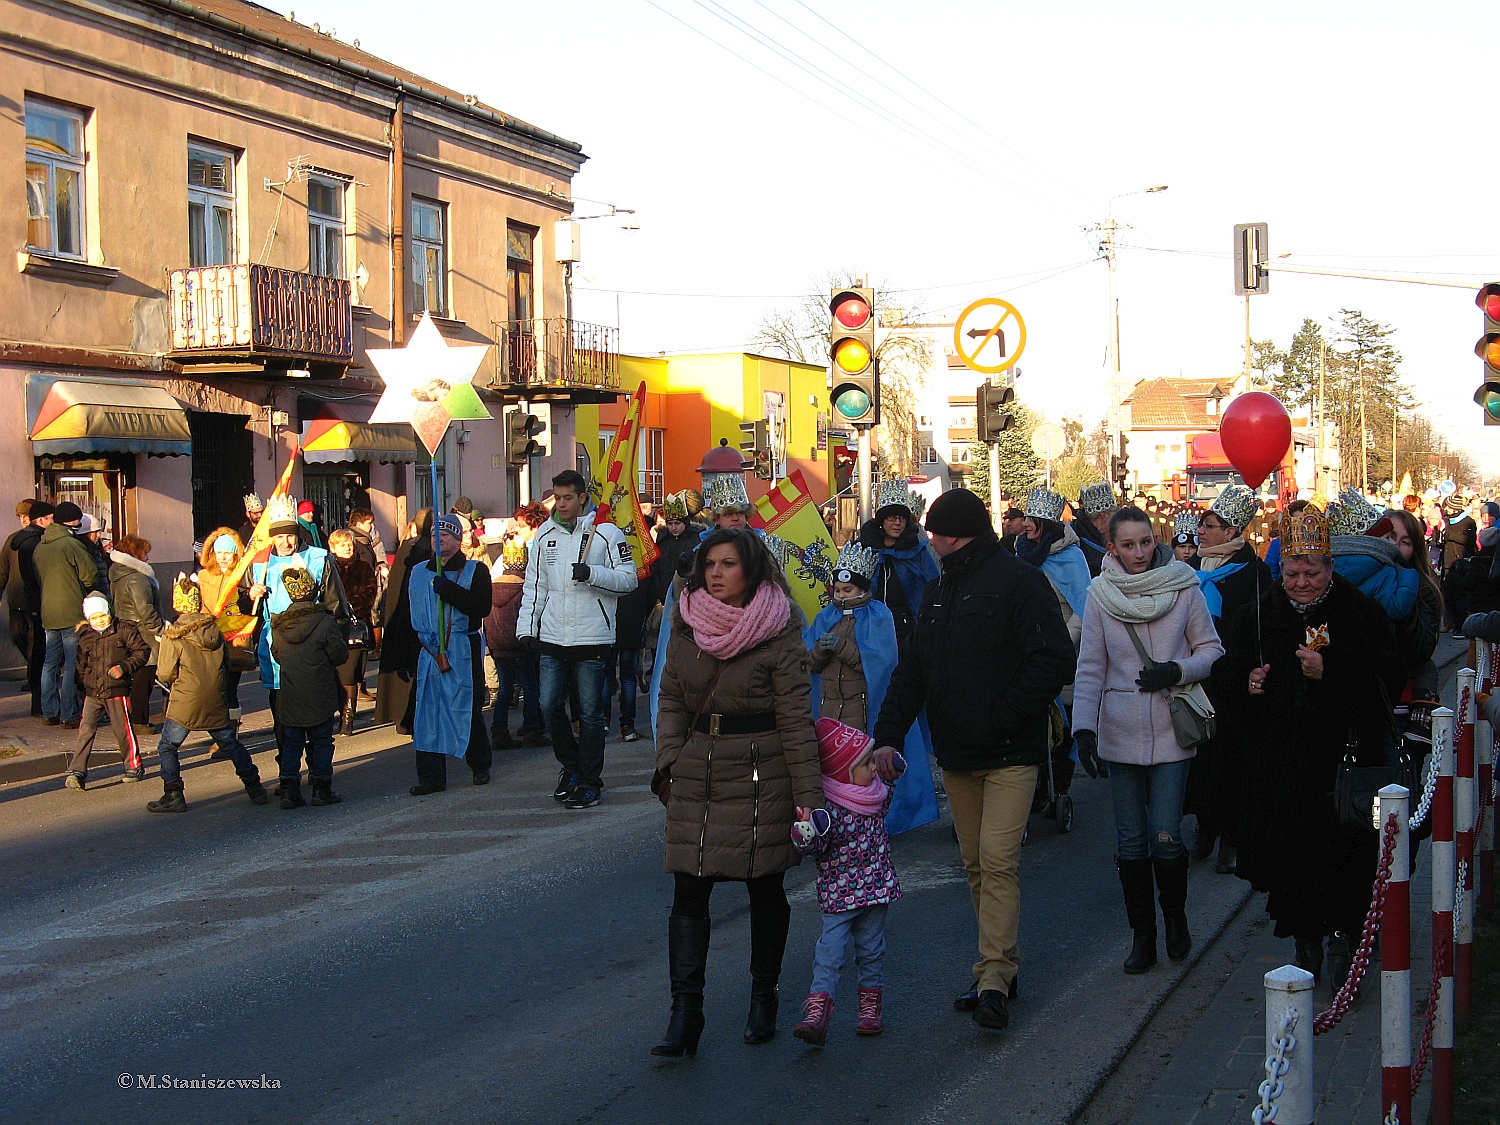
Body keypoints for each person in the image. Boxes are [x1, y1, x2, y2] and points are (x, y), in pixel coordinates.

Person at [871, 488, 1075, 1032]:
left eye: (934, 534)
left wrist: (1006, 714)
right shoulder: (937, 592)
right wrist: (888, 734)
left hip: (1011, 752)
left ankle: (992, 979)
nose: (928, 542)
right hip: (958, 754)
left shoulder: (1019, 582)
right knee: (977, 865)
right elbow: (913, 671)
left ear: (955, 536)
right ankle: (998, 967)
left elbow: (1054, 657)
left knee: (998, 858)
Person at [649, 527, 823, 1056]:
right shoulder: (685, 622)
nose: (716, 574)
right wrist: (668, 761)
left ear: (751, 569)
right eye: (710, 565)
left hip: (760, 772)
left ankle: (762, 999)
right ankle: (685, 1014)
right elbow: (672, 699)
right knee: (688, 890)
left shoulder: (778, 631)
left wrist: (809, 798)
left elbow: (796, 720)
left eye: (728, 564)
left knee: (764, 888)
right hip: (698, 771)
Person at [1216, 504, 1405, 988]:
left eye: (1310, 573)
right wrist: (1247, 682)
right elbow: (1226, 676)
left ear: (1330, 569)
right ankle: (1306, 941)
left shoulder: (1360, 613)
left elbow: (1388, 678)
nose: (1300, 582)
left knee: (1345, 854)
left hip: (1344, 761)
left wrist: (1334, 671)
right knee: (1293, 857)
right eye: (1291, 572)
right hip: (1281, 762)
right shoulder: (1256, 615)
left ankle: (1346, 936)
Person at [1071, 507, 1223, 973]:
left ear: (1155, 541)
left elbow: (1211, 648)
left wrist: (1177, 670)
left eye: (1145, 543)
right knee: (1131, 840)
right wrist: (1083, 728)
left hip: (1171, 727)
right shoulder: (1101, 595)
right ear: (1112, 547)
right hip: (1119, 729)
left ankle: (1175, 917)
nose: (1139, 553)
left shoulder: (1183, 585)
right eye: (1128, 545)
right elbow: (1091, 665)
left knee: (1166, 835)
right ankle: (1143, 935)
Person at [518, 470, 639, 810]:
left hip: (592, 637)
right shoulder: (544, 535)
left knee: (589, 714)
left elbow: (629, 580)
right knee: (548, 706)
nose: (562, 504)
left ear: (582, 497)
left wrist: (592, 574)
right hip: (553, 637)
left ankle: (589, 781)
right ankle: (570, 769)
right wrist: (526, 628)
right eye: (557, 497)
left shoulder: (606, 532)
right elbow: (536, 586)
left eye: (568, 497)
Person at [804, 541, 938, 835]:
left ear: (862, 589)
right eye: (837, 591)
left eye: (847, 591)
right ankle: (834, 819)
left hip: (861, 709)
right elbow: (809, 663)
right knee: (831, 767)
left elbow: (879, 661)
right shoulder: (826, 617)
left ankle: (867, 818)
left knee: (859, 767)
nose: (841, 596)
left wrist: (840, 647)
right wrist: (820, 652)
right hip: (829, 709)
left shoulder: (878, 615)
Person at [790, 717, 905, 1045]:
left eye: (871, 762)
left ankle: (870, 1009)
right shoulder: (830, 810)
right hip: (840, 896)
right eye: (865, 763)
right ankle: (817, 1013)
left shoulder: (875, 796)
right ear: (843, 773)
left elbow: (887, 787)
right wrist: (806, 834)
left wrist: (893, 767)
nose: (872, 769)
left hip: (874, 890)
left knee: (871, 951)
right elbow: (816, 845)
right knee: (829, 953)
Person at [1187, 484, 1272, 874]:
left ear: (1232, 532)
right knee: (1201, 760)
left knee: (1232, 758)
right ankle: (1206, 827)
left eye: (1210, 525)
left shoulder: (1254, 573)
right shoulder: (1192, 570)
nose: (1201, 532)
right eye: (1203, 525)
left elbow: (1259, 630)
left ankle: (1231, 839)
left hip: (1234, 681)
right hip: (1197, 679)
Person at [386, 513, 494, 795]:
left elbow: (480, 608)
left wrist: (450, 591)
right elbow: (405, 615)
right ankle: (431, 776)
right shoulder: (418, 571)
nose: (438, 539)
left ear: (458, 540)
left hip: (461, 647)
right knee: (427, 712)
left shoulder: (475, 571)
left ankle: (479, 764)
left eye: (445, 535)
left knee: (465, 708)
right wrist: (402, 656)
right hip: (427, 650)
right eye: (435, 535)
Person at [147, 578, 269, 813]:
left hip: (186, 699)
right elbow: (224, 664)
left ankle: (173, 794)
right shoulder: (216, 631)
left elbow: (165, 673)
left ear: (177, 605)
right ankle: (255, 787)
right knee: (230, 743)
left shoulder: (174, 636)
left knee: (168, 745)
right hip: (215, 697)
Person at [247, 495, 348, 759]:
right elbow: (243, 613)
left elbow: (336, 605)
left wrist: (333, 644)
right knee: (282, 716)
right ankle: (288, 775)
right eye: (279, 537)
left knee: (318, 719)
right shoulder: (259, 564)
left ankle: (319, 775)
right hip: (277, 649)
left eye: (290, 535)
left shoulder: (318, 558)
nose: (285, 542)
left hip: (314, 646)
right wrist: (250, 595)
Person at [1015, 486, 1091, 807]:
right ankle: (1035, 787)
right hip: (1027, 654)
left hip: (1063, 653)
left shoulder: (1071, 556)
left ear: (1046, 523)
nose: (1025, 525)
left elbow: (1084, 608)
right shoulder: (1020, 552)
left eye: (1031, 520)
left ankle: (1059, 787)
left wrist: (1059, 639)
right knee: (1030, 720)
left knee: (1063, 725)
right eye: (1025, 519)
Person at [268, 566, 349, 808]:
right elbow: (339, 655)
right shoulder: (324, 622)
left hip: (291, 691)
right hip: (320, 690)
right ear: (313, 589)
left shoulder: (279, 625)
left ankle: (289, 789)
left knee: (292, 741)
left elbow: (277, 654)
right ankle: (321, 788)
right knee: (322, 740)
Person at [65, 593, 150, 789]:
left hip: (116, 690)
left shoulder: (124, 630)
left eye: (102, 615)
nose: (99, 621)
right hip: (93, 691)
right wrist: (82, 684)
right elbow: (80, 664)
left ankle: (133, 766)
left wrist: (124, 668)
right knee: (85, 731)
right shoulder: (86, 636)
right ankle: (77, 771)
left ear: (109, 612)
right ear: (88, 619)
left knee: (123, 730)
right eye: (94, 618)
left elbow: (142, 652)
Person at [34, 501, 98, 728]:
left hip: (48, 612)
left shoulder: (41, 546)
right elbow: (90, 576)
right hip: (72, 612)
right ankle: (68, 713)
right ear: (72, 522)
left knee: (50, 663)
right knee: (72, 663)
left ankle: (49, 711)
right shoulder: (71, 544)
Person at [856, 478, 939, 649]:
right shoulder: (866, 550)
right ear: (882, 521)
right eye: (892, 518)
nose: (897, 523)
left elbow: (934, 586)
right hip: (872, 628)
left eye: (901, 518)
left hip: (908, 628)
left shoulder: (918, 552)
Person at [374, 508, 434, 731]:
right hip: (417, 615)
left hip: (402, 613)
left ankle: (401, 715)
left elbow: (396, 585)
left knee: (405, 665)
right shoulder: (425, 551)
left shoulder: (405, 548)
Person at [485, 540, 543, 749]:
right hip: (520, 645)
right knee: (530, 688)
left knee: (505, 690)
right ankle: (531, 729)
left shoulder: (491, 587)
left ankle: (498, 731)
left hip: (498, 647)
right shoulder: (524, 588)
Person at [195, 528, 252, 723]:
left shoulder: (243, 575)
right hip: (210, 638)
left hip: (235, 639)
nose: (223, 557)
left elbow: (247, 606)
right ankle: (220, 733)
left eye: (228, 552)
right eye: (219, 552)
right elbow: (198, 606)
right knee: (213, 689)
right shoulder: (203, 576)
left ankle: (231, 731)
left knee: (229, 689)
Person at [0, 500, 51, 716]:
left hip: (38, 600)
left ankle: (35, 680)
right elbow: (3, 568)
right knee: (17, 635)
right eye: (19, 517)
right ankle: (33, 672)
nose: (22, 520)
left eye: (25, 516)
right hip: (16, 599)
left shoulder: (44, 540)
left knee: (37, 644)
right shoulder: (13, 541)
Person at [108, 536, 162, 734]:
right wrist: (160, 630)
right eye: (144, 553)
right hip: (144, 633)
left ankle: (131, 717)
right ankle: (139, 720)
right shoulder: (137, 578)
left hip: (127, 629)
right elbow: (145, 609)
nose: (147, 558)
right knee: (144, 676)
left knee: (137, 676)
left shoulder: (118, 574)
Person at [327, 529, 378, 736]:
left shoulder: (363, 567)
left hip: (354, 628)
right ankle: (334, 714)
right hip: (331, 627)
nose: (347, 548)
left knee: (349, 676)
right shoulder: (327, 567)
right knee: (333, 676)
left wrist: (349, 607)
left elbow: (369, 593)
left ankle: (347, 718)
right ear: (333, 547)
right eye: (342, 545)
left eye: (349, 544)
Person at [1073, 483, 1118, 577]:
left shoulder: (1083, 532)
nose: (1118, 515)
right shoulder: (1076, 541)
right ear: (1103, 515)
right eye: (1115, 511)